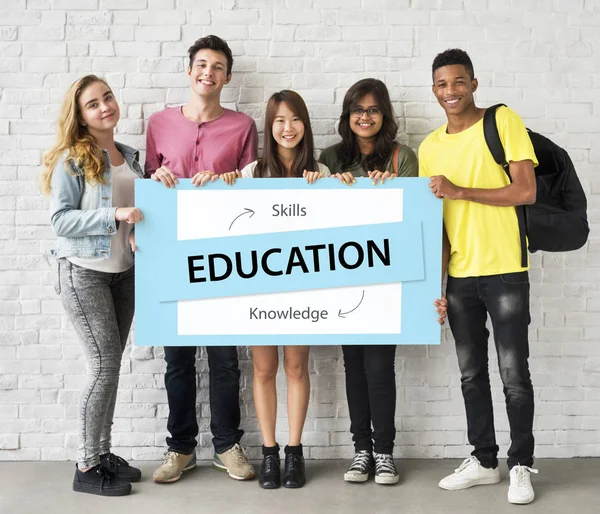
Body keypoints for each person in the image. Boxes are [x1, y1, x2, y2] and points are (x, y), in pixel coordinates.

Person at [419, 48, 538, 505]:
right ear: (434, 90)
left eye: (459, 81)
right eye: (443, 84)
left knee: (514, 375)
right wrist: (439, 287)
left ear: (474, 83)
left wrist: (460, 189)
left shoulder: (502, 120)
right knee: (471, 375)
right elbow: (440, 224)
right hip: (461, 276)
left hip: (506, 268)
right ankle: (485, 461)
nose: (451, 91)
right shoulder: (430, 147)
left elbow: (525, 189)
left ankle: (520, 466)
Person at [146, 35, 258, 484]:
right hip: (171, 255)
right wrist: (156, 177)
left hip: (222, 257)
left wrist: (233, 180)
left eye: (217, 67)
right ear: (189, 70)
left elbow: (254, 193)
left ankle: (228, 445)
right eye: (201, 64)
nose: (207, 72)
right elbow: (147, 184)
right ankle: (180, 449)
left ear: (227, 77)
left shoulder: (243, 127)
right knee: (177, 359)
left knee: (225, 359)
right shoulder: (158, 123)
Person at [221, 90, 330, 489]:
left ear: (305, 124)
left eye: (296, 119)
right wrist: (220, 183)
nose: (288, 128)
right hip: (261, 287)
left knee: (297, 367)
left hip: (302, 287)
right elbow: (223, 217)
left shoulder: (319, 171)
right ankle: (269, 453)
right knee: (264, 369)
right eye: (280, 120)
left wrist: (334, 187)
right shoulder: (251, 172)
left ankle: (294, 452)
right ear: (270, 126)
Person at [43, 75, 144, 496]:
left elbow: (140, 215)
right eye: (92, 104)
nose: (104, 106)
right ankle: (86, 464)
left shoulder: (131, 157)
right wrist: (114, 215)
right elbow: (60, 220)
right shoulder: (74, 158)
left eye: (108, 97)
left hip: (124, 273)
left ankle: (102, 453)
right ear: (81, 117)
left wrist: (140, 230)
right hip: (84, 272)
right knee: (103, 367)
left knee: (112, 368)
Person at [318, 78, 418, 485]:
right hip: (342, 279)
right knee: (353, 365)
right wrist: (329, 184)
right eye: (358, 110)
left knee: (379, 366)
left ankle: (385, 453)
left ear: (385, 116)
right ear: (347, 116)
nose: (365, 117)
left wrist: (389, 191)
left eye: (373, 110)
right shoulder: (329, 157)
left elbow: (414, 218)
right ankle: (361, 450)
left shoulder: (401, 157)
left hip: (385, 280)